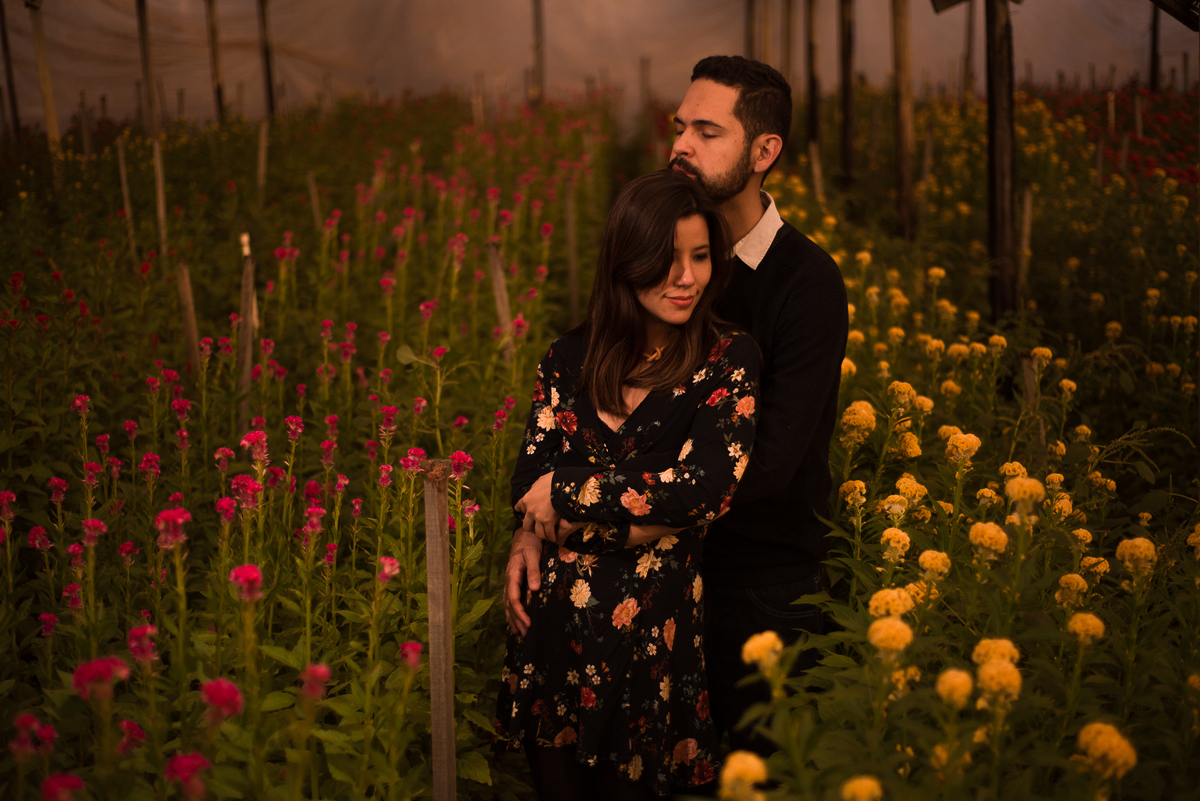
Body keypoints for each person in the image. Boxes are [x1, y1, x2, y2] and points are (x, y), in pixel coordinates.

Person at [506, 56, 848, 757]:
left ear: (764, 152)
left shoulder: (805, 284)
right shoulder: (663, 258)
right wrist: (533, 527)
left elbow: (768, 465)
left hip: (755, 584)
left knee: (755, 772)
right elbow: (586, 407)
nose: (681, 144)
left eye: (706, 130)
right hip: (642, 584)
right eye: (679, 126)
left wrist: (585, 511)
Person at [495, 170, 762, 799]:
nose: (687, 278)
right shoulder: (568, 358)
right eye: (667, 261)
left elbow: (703, 489)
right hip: (551, 638)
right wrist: (529, 531)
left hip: (652, 651)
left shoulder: (726, 360)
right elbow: (525, 479)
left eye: (701, 257)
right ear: (626, 260)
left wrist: (568, 494)